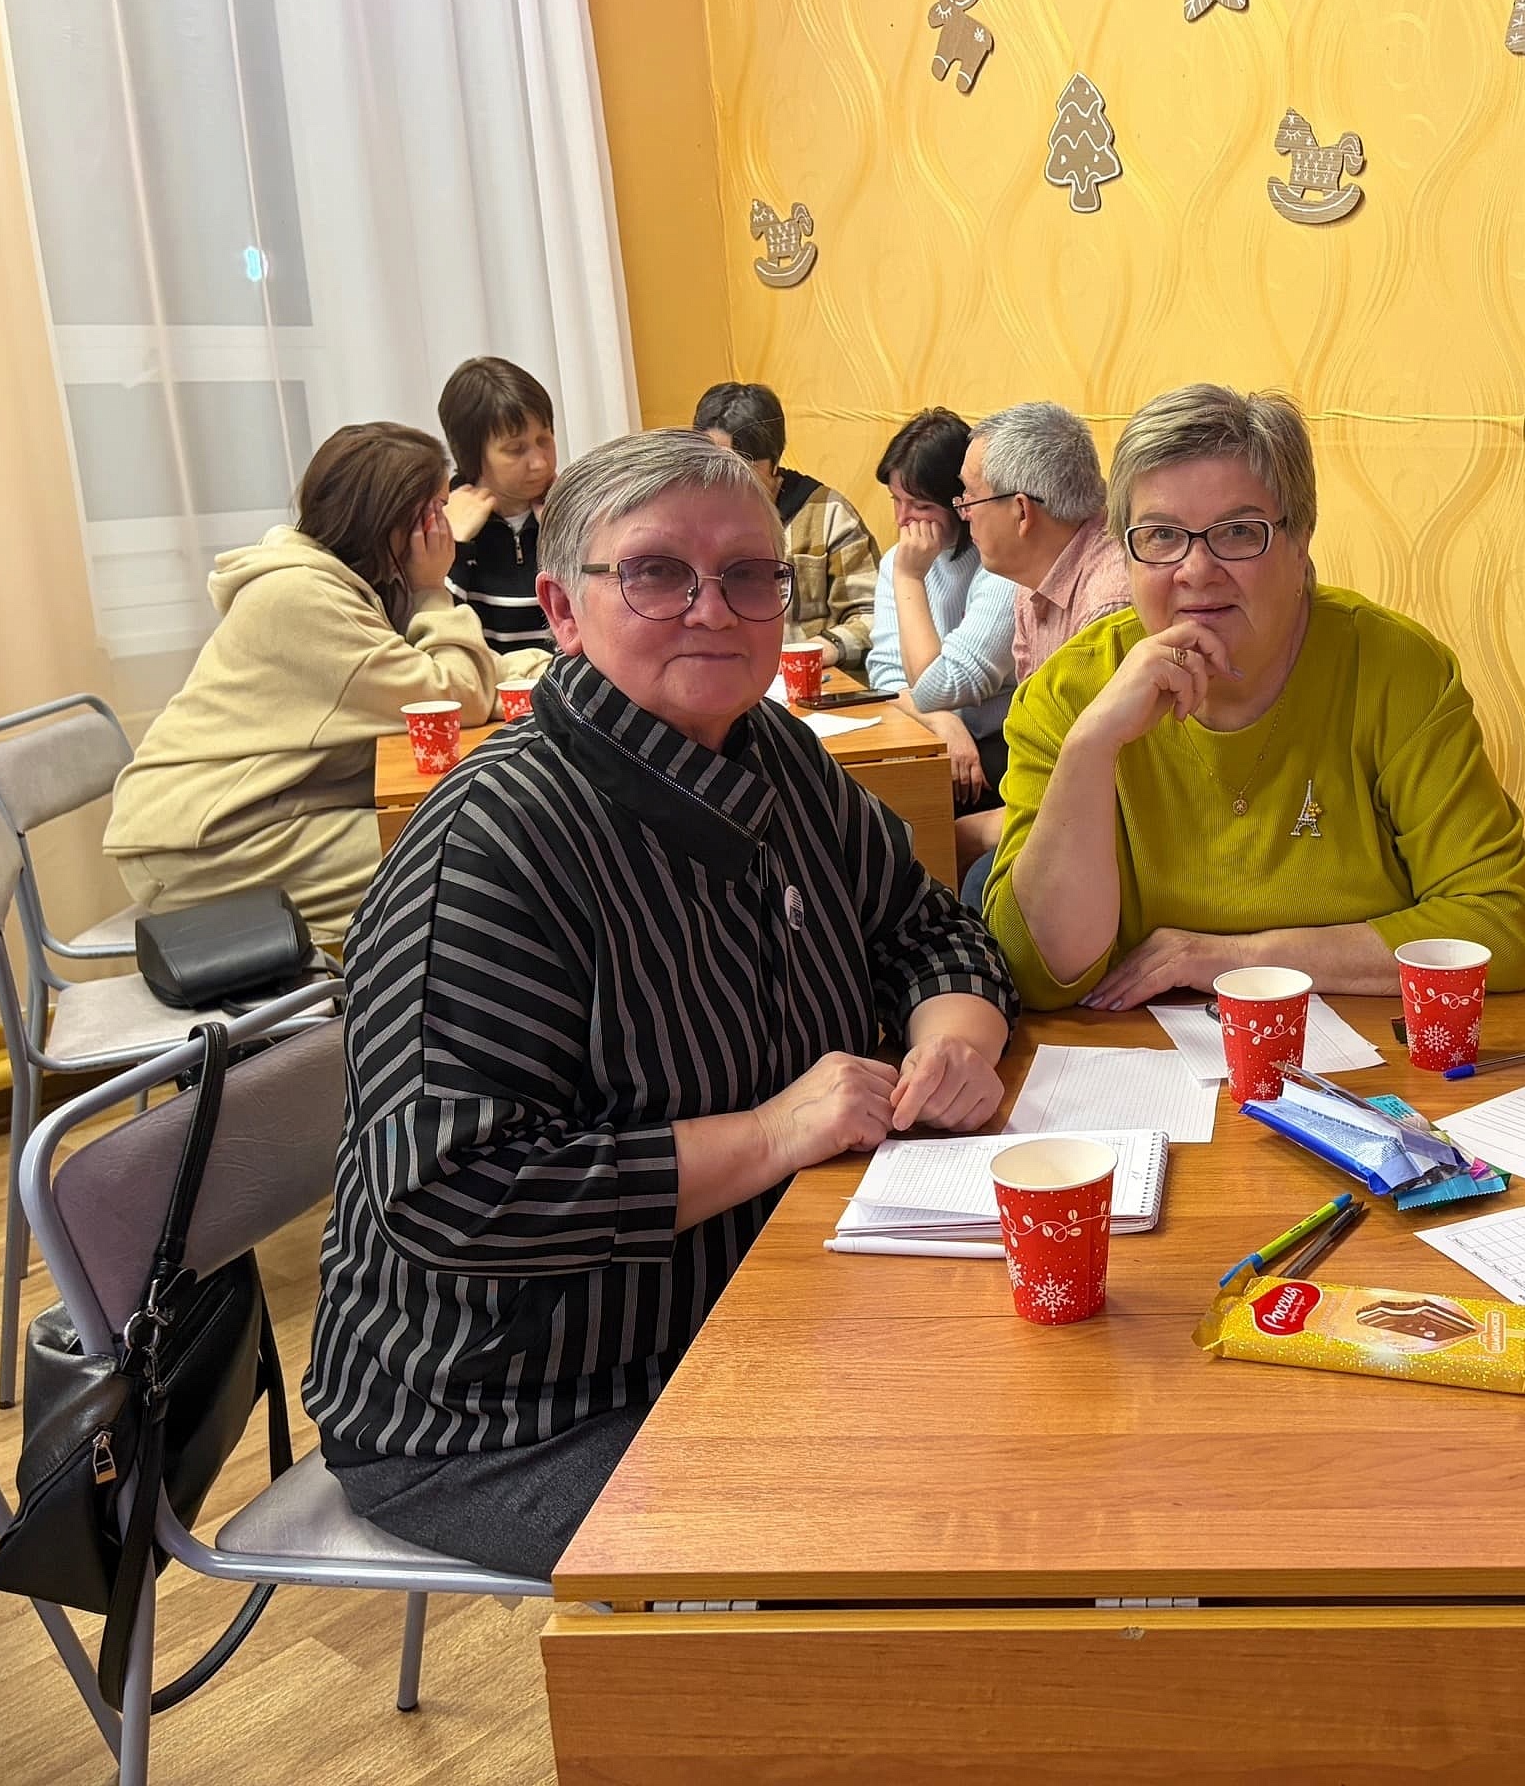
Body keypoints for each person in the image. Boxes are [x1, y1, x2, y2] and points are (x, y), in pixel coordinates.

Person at [305, 429, 1016, 1578]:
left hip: (763, 1300)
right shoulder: (493, 842)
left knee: (1025, 1437)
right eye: (655, 573)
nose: (713, 610)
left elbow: (926, 927)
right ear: (562, 609)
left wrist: (954, 1039)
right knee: (916, 1540)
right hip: (519, 1409)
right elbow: (458, 1195)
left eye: (748, 575)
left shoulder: (775, 754)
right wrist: (777, 1131)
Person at [986, 383, 1525, 1011]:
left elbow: (1499, 925)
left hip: (1370, 1057)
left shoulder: (1394, 670)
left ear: (1300, 540)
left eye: (1238, 532)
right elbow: (1036, 970)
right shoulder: (1067, 695)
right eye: (1161, 536)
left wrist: (1239, 961)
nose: (1197, 570)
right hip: (1140, 1059)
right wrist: (1091, 747)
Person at [104, 424, 542, 943]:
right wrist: (431, 590)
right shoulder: (303, 597)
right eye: (436, 512)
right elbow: (454, 698)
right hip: (205, 842)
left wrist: (541, 668)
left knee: (464, 844)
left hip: (265, 811)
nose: (444, 529)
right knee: (459, 856)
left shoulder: (343, 582)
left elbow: (438, 675)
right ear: (394, 519)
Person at [863, 408, 1018, 860]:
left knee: (916, 818)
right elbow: (886, 676)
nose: (902, 520)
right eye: (895, 500)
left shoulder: (999, 561)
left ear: (962, 502)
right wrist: (943, 723)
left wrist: (910, 578)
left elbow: (949, 683)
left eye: (920, 506)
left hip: (1001, 740)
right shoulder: (898, 560)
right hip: (932, 733)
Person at [694, 380, 880, 667]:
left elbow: (874, 616)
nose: (728, 476)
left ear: (775, 459)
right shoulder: (690, 519)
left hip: (804, 679)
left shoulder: (827, 514)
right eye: (714, 461)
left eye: (743, 464)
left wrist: (819, 649)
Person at [954, 401, 1130, 680]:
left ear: (1022, 512)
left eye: (970, 495)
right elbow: (1028, 707)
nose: (964, 512)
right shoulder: (1033, 578)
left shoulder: (1107, 607)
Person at [440, 355, 559, 652]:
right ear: (471, 455)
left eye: (544, 439)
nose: (539, 462)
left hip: (564, 679)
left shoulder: (577, 508)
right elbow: (436, 633)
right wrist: (455, 546)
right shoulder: (440, 520)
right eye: (515, 449)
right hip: (482, 678)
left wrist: (566, 534)